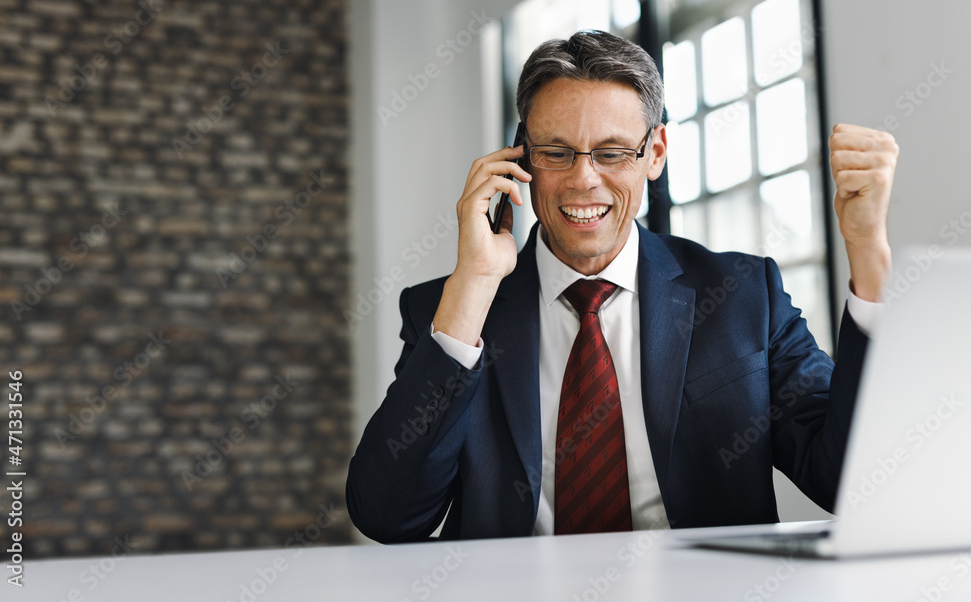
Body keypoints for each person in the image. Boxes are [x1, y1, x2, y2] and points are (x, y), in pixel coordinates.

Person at [347, 30, 897, 543]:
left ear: (654, 153)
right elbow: (388, 516)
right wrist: (474, 285)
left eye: (611, 153)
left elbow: (851, 481)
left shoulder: (744, 296)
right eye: (556, 152)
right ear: (521, 158)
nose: (583, 178)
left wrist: (867, 252)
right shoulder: (450, 310)